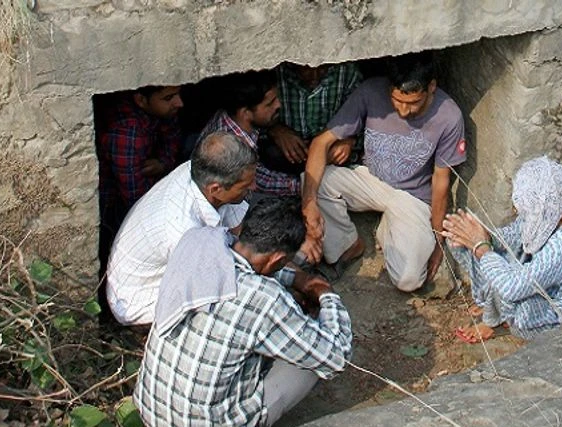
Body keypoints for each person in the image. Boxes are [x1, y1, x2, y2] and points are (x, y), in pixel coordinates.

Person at [134, 198, 352, 427]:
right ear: (278, 259)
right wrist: (326, 296)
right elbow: (336, 356)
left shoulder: (198, 242)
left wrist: (296, 279)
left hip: (154, 418)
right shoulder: (264, 297)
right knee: (310, 359)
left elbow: (246, 267)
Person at [301, 52, 467, 291]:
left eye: (413, 103)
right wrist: (309, 205)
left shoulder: (449, 117)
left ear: (431, 87)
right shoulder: (370, 91)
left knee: (409, 280)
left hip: (412, 197)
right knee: (313, 181)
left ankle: (389, 227)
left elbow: (441, 181)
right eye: (396, 100)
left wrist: (438, 238)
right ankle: (347, 246)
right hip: (370, 180)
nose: (403, 110)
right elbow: (321, 143)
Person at [442, 156, 562, 341]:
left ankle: (500, 321)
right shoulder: (554, 209)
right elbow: (517, 233)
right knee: (461, 244)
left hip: (560, 314)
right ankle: (494, 307)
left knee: (507, 281)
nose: (522, 213)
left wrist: (481, 246)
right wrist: (482, 235)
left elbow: (512, 287)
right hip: (542, 279)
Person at [106, 132, 257, 326]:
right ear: (216, 189)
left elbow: (236, 232)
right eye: (246, 184)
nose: (254, 186)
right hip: (139, 302)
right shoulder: (184, 230)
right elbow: (218, 283)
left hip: (168, 270)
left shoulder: (199, 172)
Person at [95, 85, 184, 317]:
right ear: (141, 100)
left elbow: (173, 136)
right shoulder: (127, 133)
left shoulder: (160, 113)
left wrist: (164, 162)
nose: (179, 103)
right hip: (114, 205)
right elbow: (138, 203)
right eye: (169, 98)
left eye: (178, 94)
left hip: (140, 185)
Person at [195, 70, 299, 197]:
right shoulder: (232, 146)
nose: (278, 104)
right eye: (270, 103)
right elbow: (260, 181)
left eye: (276, 99)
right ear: (245, 113)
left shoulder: (236, 119)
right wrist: (302, 184)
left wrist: (277, 130)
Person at [259, 62, 362, 178]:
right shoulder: (276, 72)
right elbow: (253, 115)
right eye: (306, 69)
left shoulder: (347, 72)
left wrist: (348, 140)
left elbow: (361, 115)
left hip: (331, 152)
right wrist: (275, 130)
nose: (314, 76)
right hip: (289, 154)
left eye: (323, 68)